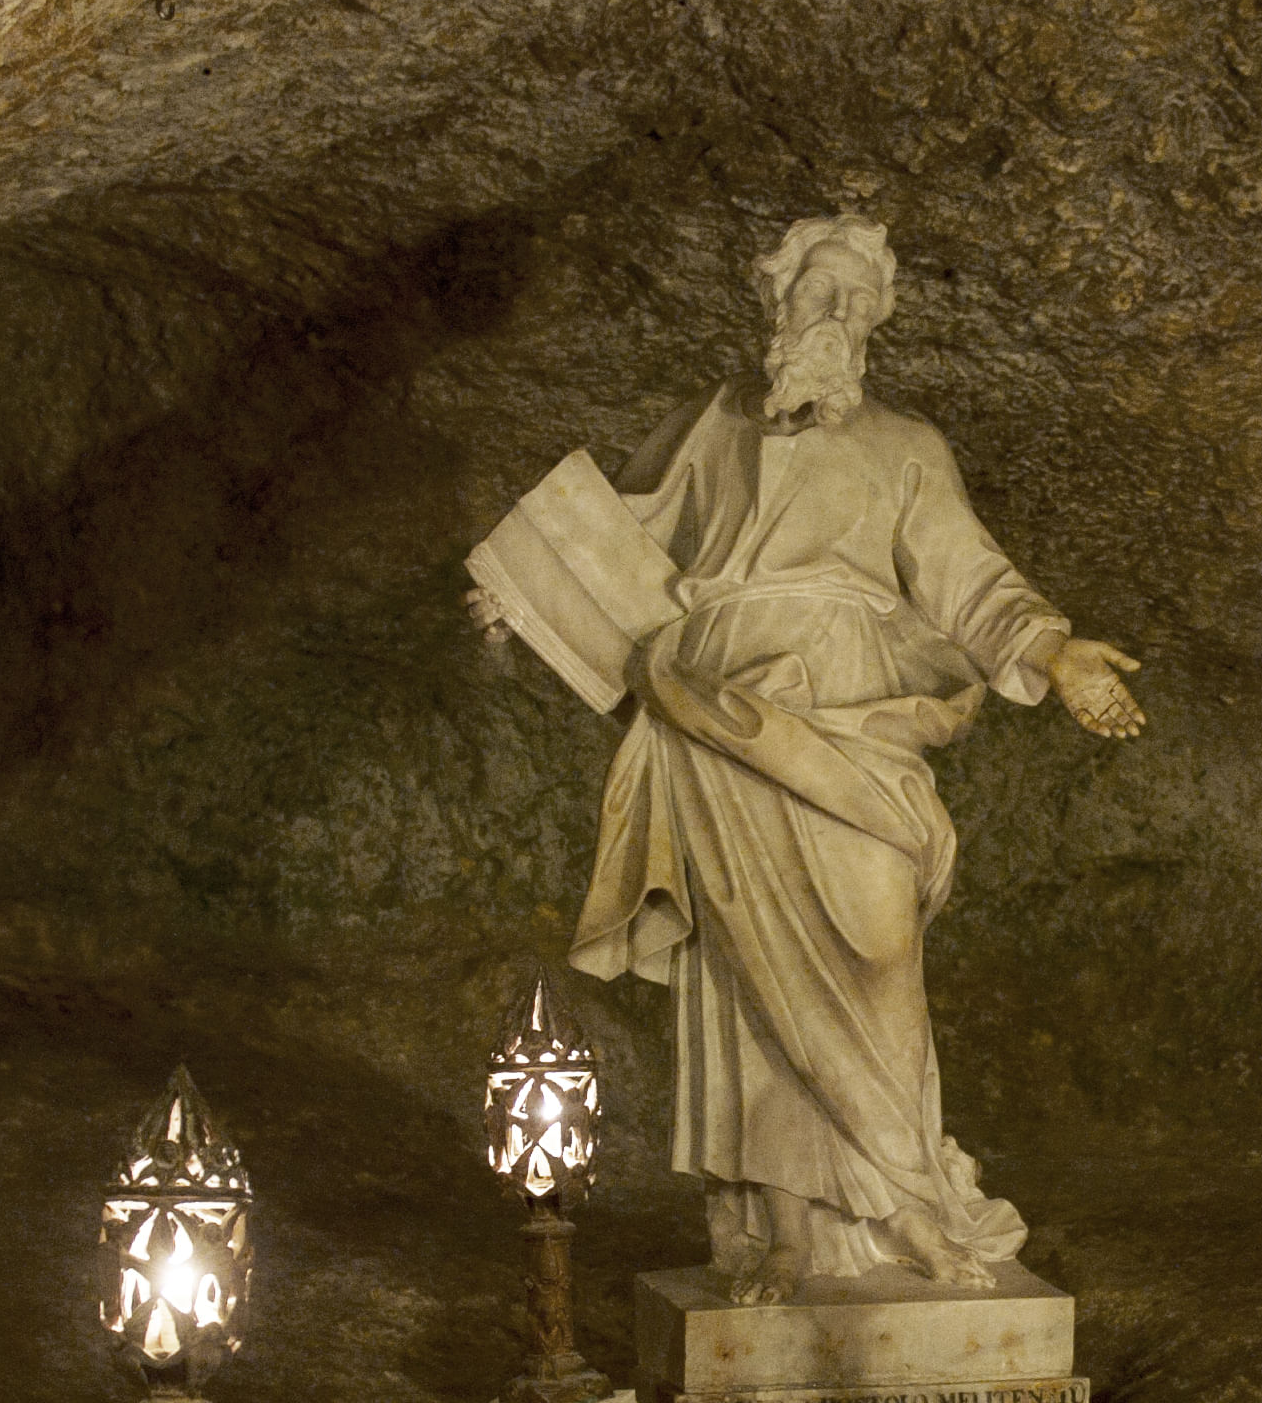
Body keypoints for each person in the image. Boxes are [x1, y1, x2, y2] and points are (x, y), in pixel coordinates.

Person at [476, 215, 1143, 1300]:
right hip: (719, 719)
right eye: (811, 294)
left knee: (879, 951)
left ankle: (908, 1198)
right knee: (748, 986)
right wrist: (521, 599)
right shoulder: (711, 431)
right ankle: (784, 1233)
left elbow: (969, 580)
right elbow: (615, 548)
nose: (826, 316)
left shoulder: (906, 447)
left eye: (849, 301)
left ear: (873, 325)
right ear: (774, 307)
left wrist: (1054, 652)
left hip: (849, 719)